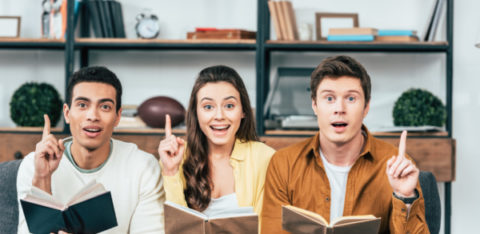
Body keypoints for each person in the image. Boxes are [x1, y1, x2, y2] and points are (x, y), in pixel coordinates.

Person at [261, 55, 430, 234]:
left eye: (351, 99)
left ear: (366, 107)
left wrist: (405, 197)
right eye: (329, 98)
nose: (339, 109)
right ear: (314, 105)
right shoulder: (283, 164)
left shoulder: (397, 166)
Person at [16, 66, 165, 233]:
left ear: (117, 117)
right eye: (82, 105)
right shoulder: (33, 165)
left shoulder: (143, 167)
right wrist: (42, 179)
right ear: (66, 113)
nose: (93, 116)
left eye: (105, 107)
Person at [159, 65, 275, 216]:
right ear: (196, 113)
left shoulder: (265, 158)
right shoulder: (175, 158)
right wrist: (171, 171)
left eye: (229, 105)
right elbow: (174, 226)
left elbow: (267, 225)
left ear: (243, 111)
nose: (219, 115)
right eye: (208, 107)